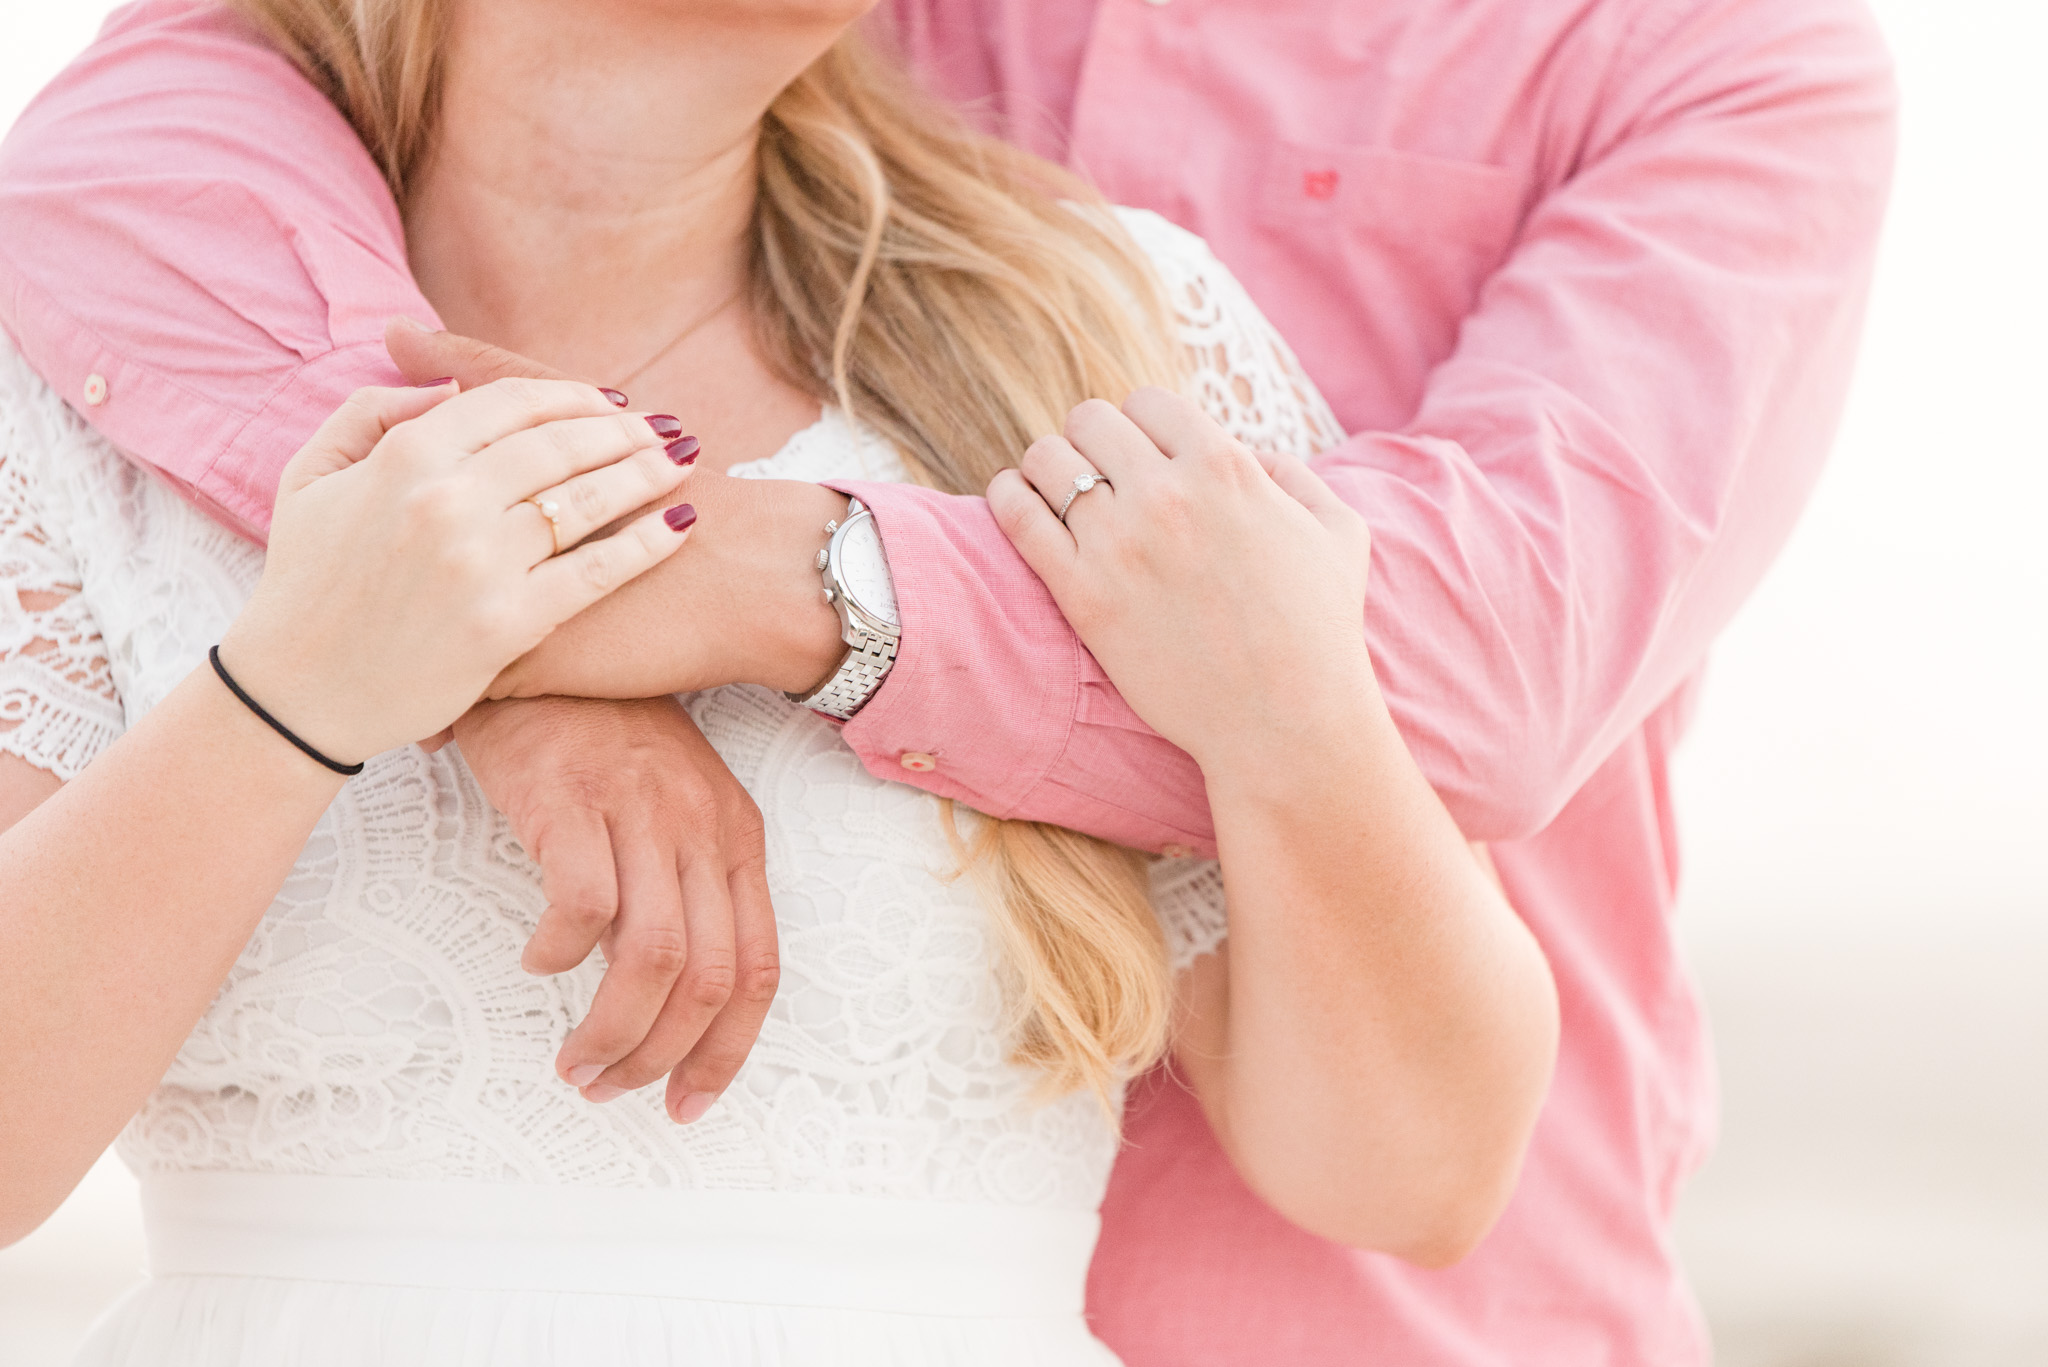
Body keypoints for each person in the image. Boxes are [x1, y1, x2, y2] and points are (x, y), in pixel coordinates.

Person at [0, 0, 1897, 1362]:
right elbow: (91, 146)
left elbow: (1427, 1083)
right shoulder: (138, 330)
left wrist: (736, 581)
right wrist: (352, 669)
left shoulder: (1090, 340)